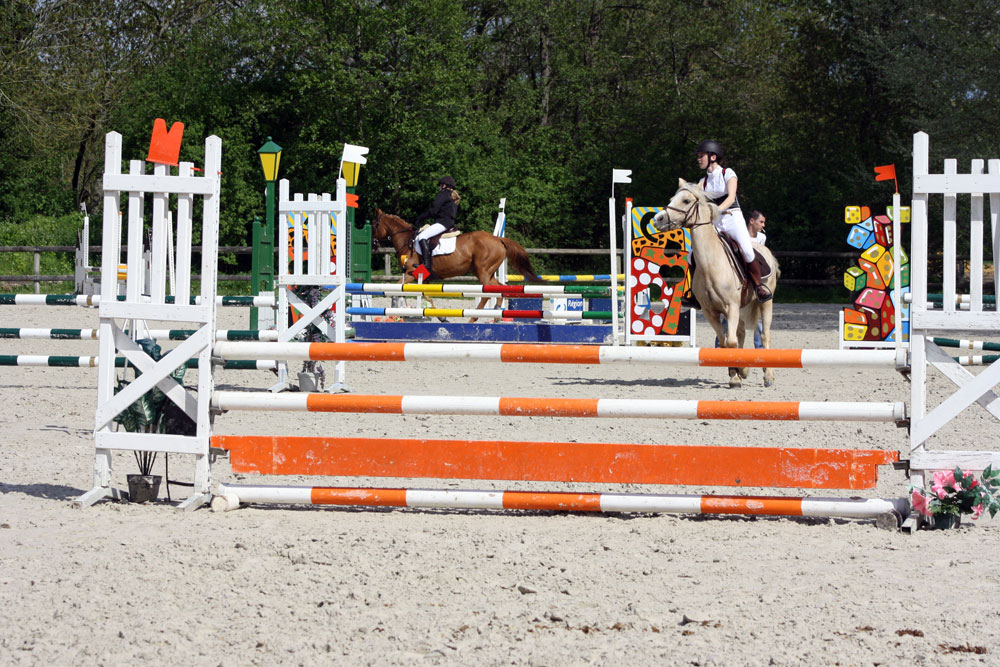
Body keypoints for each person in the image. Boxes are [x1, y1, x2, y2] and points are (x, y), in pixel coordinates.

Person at [694, 140, 771, 302]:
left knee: (747, 250)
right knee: (692, 255)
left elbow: (730, 197)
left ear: (713, 157)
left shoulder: (728, 173)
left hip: (732, 217)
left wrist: (715, 210)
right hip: (714, 222)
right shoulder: (703, 182)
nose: (698, 159)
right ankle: (693, 292)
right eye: (698, 156)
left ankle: (758, 286)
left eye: (701, 156)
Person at [716, 209, 768, 348]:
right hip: (737, 275)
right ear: (752, 221)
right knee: (729, 314)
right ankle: (720, 346)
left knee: (757, 317)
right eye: (761, 222)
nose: (763, 225)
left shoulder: (762, 238)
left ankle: (760, 348)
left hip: (751, 272)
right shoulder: (739, 233)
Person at [413, 175, 461, 278]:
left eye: (440, 186)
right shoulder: (452, 196)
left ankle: (426, 265)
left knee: (422, 236)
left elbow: (434, 210)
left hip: (442, 223)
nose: (439, 188)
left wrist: (420, 218)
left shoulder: (443, 194)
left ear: (443, 186)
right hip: (448, 223)